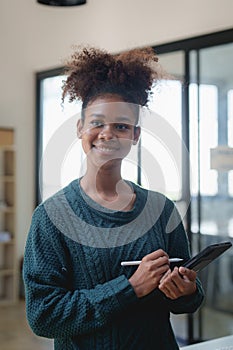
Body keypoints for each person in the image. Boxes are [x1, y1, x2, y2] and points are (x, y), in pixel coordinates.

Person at [23, 46, 204, 350]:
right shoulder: (51, 217)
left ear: (135, 135)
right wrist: (130, 288)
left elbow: (186, 301)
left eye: (121, 126)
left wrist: (185, 291)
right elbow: (43, 315)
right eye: (97, 123)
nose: (107, 134)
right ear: (80, 128)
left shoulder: (161, 210)